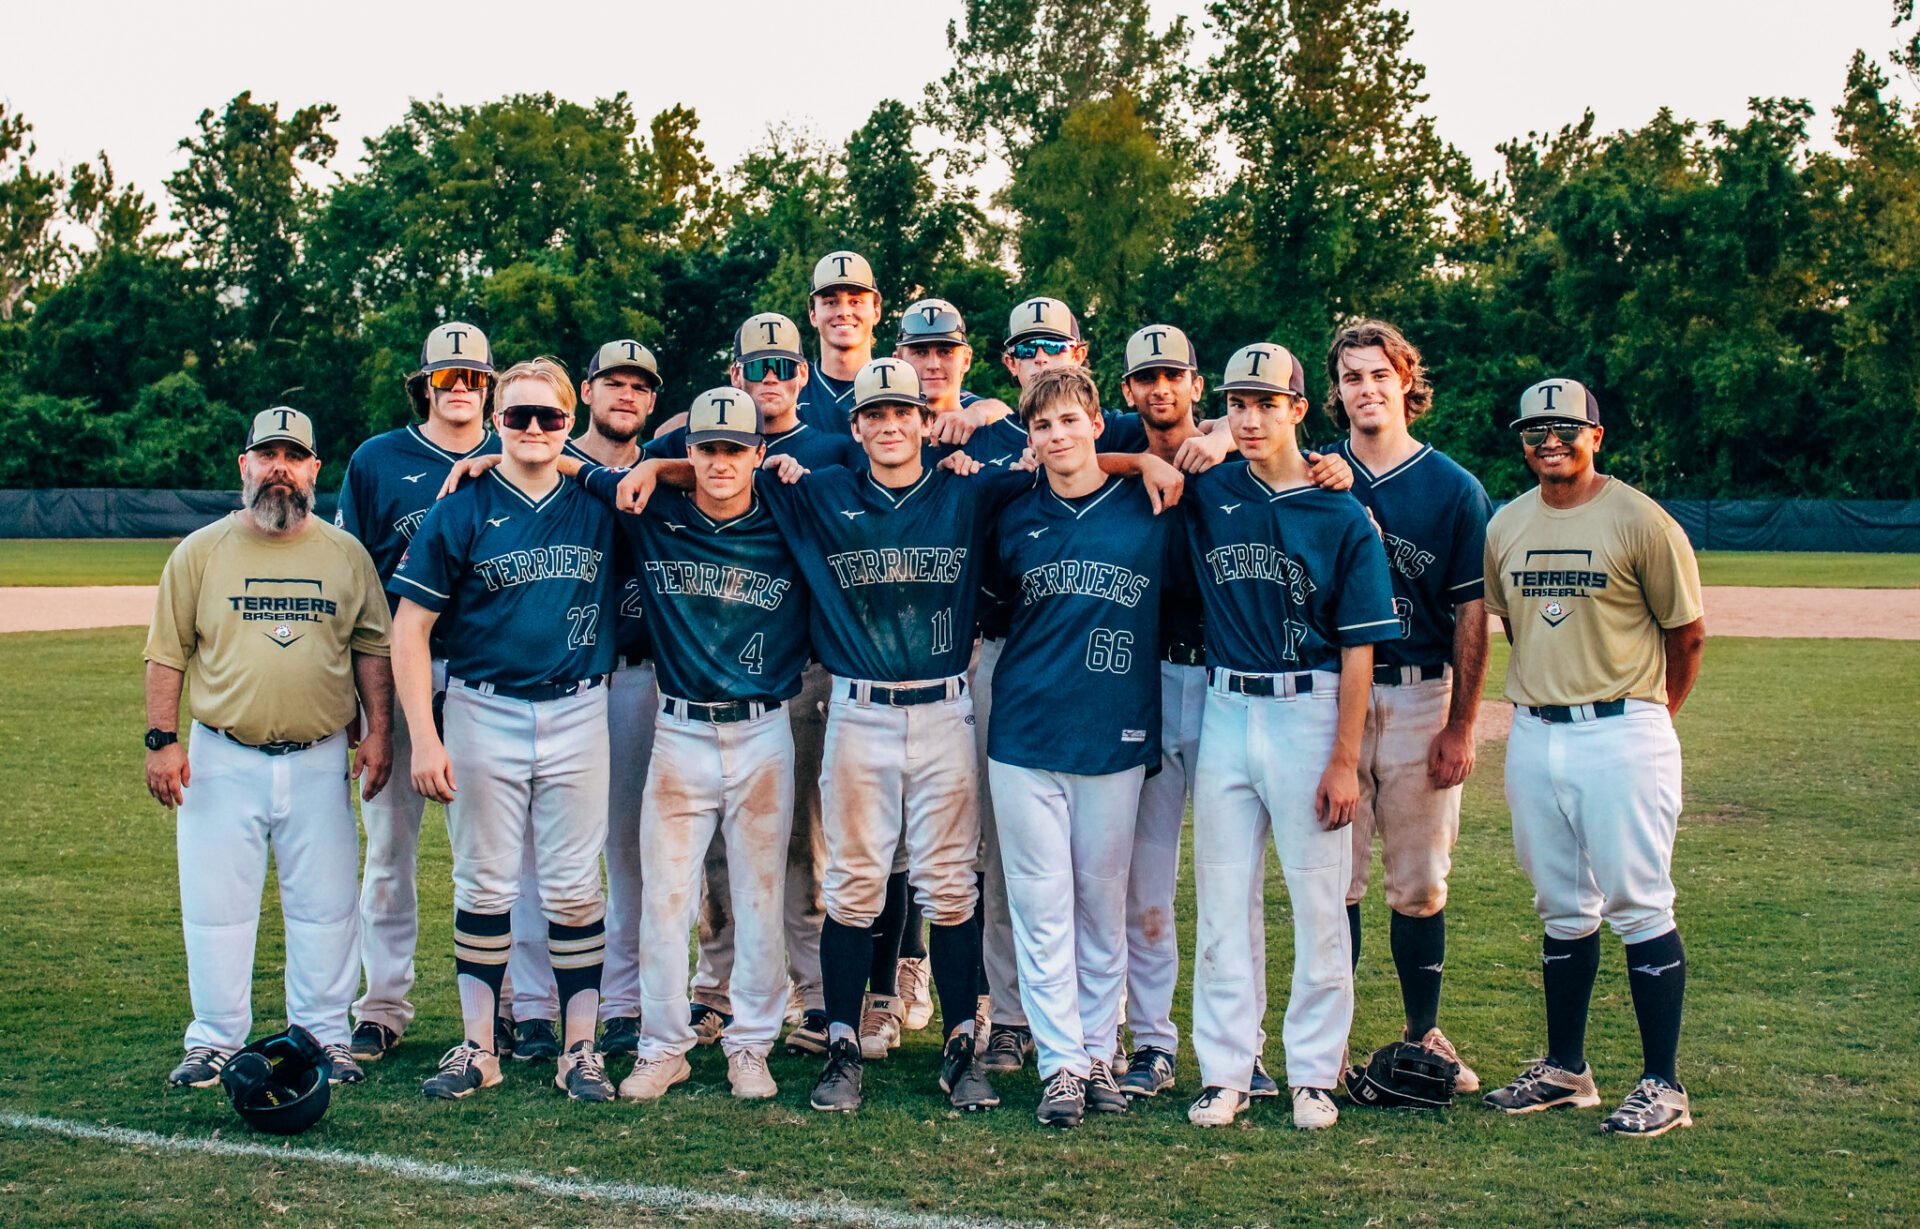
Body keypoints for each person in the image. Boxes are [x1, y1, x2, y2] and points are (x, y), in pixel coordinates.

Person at [613, 358, 1016, 1113]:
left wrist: (1137, 457)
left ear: (927, 421)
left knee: (951, 884)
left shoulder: (967, 483)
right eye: (876, 414)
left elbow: (1058, 463)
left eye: (905, 413)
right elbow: (705, 471)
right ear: (854, 427)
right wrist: (660, 465)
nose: (892, 424)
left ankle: (962, 1044)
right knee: (852, 885)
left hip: (942, 710)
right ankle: (839, 1043)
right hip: (857, 711)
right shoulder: (817, 489)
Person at [1182, 343, 1400, 1130]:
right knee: (1222, 901)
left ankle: (1313, 1071)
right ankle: (1226, 1069)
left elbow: (1360, 648)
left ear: (1299, 410)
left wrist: (1345, 758)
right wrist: (1191, 440)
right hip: (1226, 707)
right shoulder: (1210, 488)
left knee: (1317, 898)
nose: (1249, 417)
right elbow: (1142, 452)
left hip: (1308, 708)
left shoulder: (1341, 508)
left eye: (1266, 402)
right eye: (1237, 402)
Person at [1480, 378, 1705, 1138]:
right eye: (1536, 428)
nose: (1550, 439)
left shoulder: (1641, 518)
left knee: (1640, 903)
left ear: (1596, 435)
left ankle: (1663, 1083)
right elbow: (1515, 624)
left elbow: (1688, 635)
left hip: (1622, 729)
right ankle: (1566, 1069)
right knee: (1563, 907)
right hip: (1537, 732)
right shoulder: (1507, 522)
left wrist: (1648, 716)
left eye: (1566, 427)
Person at [391, 356, 619, 1103]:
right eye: (516, 415)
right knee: (483, 881)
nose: (531, 428)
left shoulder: (598, 496)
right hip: (483, 705)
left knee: (574, 886)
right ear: (495, 421)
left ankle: (579, 1048)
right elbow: (410, 627)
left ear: (568, 423)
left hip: (578, 706)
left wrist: (574, 466)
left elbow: (680, 473)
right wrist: (424, 735)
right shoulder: (460, 505)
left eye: (548, 416)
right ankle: (478, 1046)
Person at [146, 407, 393, 1090]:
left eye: (294, 456)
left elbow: (373, 647)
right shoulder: (199, 551)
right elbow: (167, 654)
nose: (280, 468)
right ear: (244, 465)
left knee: (326, 907)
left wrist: (380, 731)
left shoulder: (345, 554)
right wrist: (161, 741)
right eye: (268, 455)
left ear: (316, 469)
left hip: (319, 756)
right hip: (222, 754)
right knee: (216, 907)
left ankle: (325, 1037)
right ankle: (215, 1039)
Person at [582, 388, 812, 1100]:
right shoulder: (655, 513)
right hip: (679, 727)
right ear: (689, 452)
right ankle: (662, 1044)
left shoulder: (787, 509)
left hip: (764, 725)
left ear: (759, 453)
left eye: (735, 449)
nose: (720, 462)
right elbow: (576, 466)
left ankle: (750, 1043)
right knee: (665, 899)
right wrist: (492, 454)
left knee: (759, 894)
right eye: (708, 448)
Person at [651, 313, 860, 1057]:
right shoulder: (705, 436)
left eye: (784, 367)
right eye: (757, 367)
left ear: (804, 374)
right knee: (711, 851)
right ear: (734, 373)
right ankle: (715, 982)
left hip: (797, 669)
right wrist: (662, 463)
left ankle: (811, 989)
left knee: (803, 841)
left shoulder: (832, 441)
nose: (771, 379)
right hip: (705, 666)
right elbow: (659, 467)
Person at [981, 366, 1183, 1127]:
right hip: (1025, 735)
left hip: (1115, 733)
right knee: (1040, 907)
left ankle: (1101, 1050)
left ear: (1099, 424)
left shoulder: (1150, 502)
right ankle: (1061, 1062)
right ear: (1029, 440)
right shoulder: (1011, 511)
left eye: (1070, 421)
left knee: (1103, 903)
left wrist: (1153, 459)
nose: (1057, 436)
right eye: (1042, 426)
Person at [1321, 320, 1492, 1090]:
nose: (1366, 389)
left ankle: (1425, 1028)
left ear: (1405, 383)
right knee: (1339, 876)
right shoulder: (1320, 478)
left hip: (1423, 691)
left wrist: (1462, 721)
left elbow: (1471, 614)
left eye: (1379, 375)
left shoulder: (1453, 487)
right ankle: (1332, 1037)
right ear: (1336, 392)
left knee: (1419, 881)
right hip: (1338, 695)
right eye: (1352, 377)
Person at [335, 322, 512, 1065]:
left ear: (490, 385)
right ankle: (382, 1004)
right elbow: (349, 575)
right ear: (426, 383)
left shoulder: (522, 451)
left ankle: (507, 1005)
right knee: (389, 849)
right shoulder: (379, 459)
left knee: (503, 857)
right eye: (448, 377)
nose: (461, 388)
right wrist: (356, 692)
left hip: (490, 677)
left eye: (473, 376)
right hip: (400, 670)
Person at [504, 339, 665, 1061]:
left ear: (652, 400)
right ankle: (534, 1004)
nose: (625, 394)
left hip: (637, 677)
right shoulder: (545, 466)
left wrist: (648, 463)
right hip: (562, 682)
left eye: (640, 385)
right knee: (541, 853)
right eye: (613, 382)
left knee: (632, 848)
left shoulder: (665, 466)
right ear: (586, 395)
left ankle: (626, 1001)